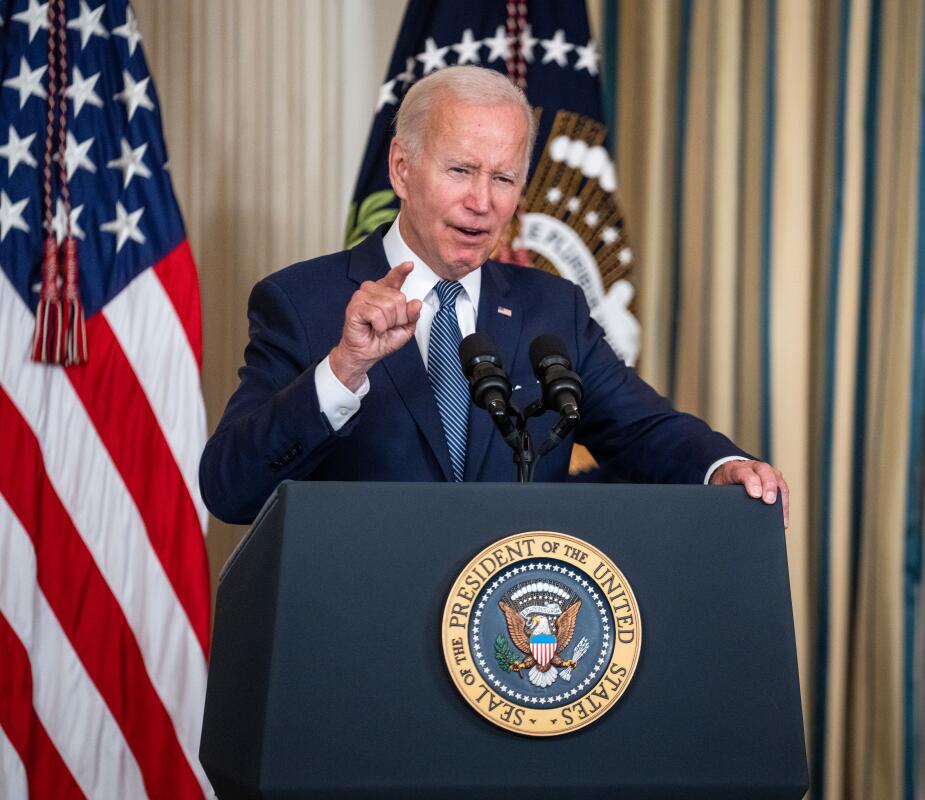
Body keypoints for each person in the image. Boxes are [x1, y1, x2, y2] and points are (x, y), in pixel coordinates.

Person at [199, 66, 788, 526]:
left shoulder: (554, 308)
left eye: (503, 179)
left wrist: (722, 465)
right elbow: (231, 488)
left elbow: (641, 430)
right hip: (362, 645)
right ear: (402, 170)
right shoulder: (302, 301)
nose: (483, 202)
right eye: (461, 170)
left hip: (511, 654)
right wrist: (344, 367)